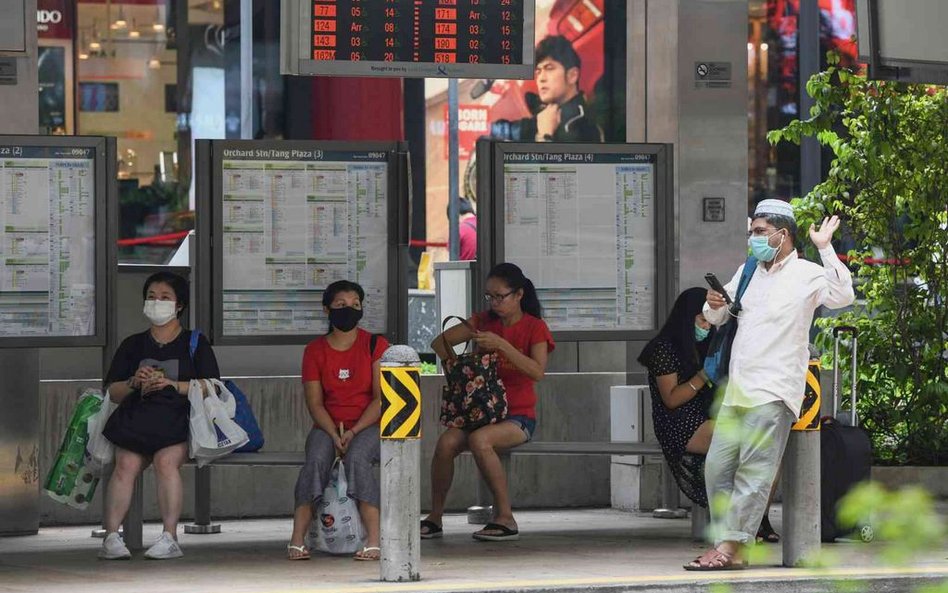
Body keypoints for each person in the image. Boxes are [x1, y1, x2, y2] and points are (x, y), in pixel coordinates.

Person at [685, 199, 854, 570]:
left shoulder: (807, 274)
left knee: (752, 471)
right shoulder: (748, 272)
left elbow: (843, 296)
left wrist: (826, 248)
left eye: (760, 232)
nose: (754, 239)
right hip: (739, 389)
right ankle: (730, 545)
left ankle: (730, 550)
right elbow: (717, 316)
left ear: (783, 234)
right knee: (717, 467)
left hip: (776, 388)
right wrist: (713, 303)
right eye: (752, 232)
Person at [422, 262, 554, 541]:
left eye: (500, 296)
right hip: (480, 411)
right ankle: (435, 516)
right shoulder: (483, 321)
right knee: (446, 443)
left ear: (518, 295)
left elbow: (537, 371)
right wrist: (458, 366)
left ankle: (505, 516)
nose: (494, 303)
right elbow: (439, 343)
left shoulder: (535, 327)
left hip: (518, 416)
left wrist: (502, 345)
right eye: (489, 297)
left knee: (480, 440)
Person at [638, 288, 781, 543]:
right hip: (680, 422)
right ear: (686, 318)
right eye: (701, 320)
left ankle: (756, 518)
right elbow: (671, 399)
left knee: (767, 451)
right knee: (753, 446)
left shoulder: (709, 343)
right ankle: (743, 524)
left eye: (709, 321)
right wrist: (703, 376)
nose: (706, 326)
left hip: (710, 414)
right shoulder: (663, 349)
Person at [99, 271, 220, 560]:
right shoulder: (132, 344)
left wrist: (172, 385)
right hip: (137, 421)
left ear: (179, 305)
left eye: (165, 297)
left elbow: (212, 386)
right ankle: (112, 536)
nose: (157, 302)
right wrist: (132, 382)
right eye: (151, 297)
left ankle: (169, 536)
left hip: (177, 422)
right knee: (125, 463)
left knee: (167, 462)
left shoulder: (195, 343)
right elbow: (112, 392)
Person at [287, 280, 389, 561]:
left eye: (355, 304)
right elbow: (315, 403)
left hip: (369, 425)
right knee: (317, 459)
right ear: (326, 310)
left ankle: (374, 540)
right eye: (341, 305)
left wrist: (354, 431)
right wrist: (334, 434)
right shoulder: (315, 351)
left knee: (357, 459)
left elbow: (381, 400)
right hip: (327, 426)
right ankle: (297, 539)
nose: (349, 310)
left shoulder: (375, 345)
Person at [492, 35, 603, 143]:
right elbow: (522, 129)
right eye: (538, 72)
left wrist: (544, 136)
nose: (541, 78)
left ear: (572, 76)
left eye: (549, 68)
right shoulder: (553, 111)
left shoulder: (580, 129)